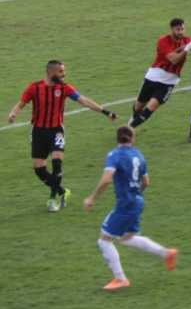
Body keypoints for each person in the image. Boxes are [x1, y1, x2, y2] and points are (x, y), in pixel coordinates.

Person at [6, 60, 117, 212]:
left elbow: (83, 100)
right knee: (39, 170)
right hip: (38, 131)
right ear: (51, 72)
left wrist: (106, 112)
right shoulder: (35, 87)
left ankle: (52, 199)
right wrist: (13, 114)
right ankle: (62, 192)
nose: (64, 75)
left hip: (56, 130)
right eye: (61, 72)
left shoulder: (64, 88)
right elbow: (21, 103)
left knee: (57, 162)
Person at [83, 126, 178, 291]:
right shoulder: (138, 155)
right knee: (127, 238)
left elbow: (106, 180)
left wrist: (92, 198)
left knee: (104, 240)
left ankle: (120, 279)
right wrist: (135, 194)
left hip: (125, 205)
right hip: (137, 202)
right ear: (132, 138)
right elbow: (146, 182)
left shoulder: (114, 155)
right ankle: (166, 253)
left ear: (117, 138)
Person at [129, 18, 191, 130]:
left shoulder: (187, 40)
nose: (181, 32)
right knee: (139, 106)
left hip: (169, 81)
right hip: (154, 76)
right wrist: (186, 49)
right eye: (178, 29)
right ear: (172, 29)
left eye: (182, 29)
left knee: (151, 107)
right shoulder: (163, 41)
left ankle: (129, 129)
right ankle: (133, 120)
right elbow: (174, 60)